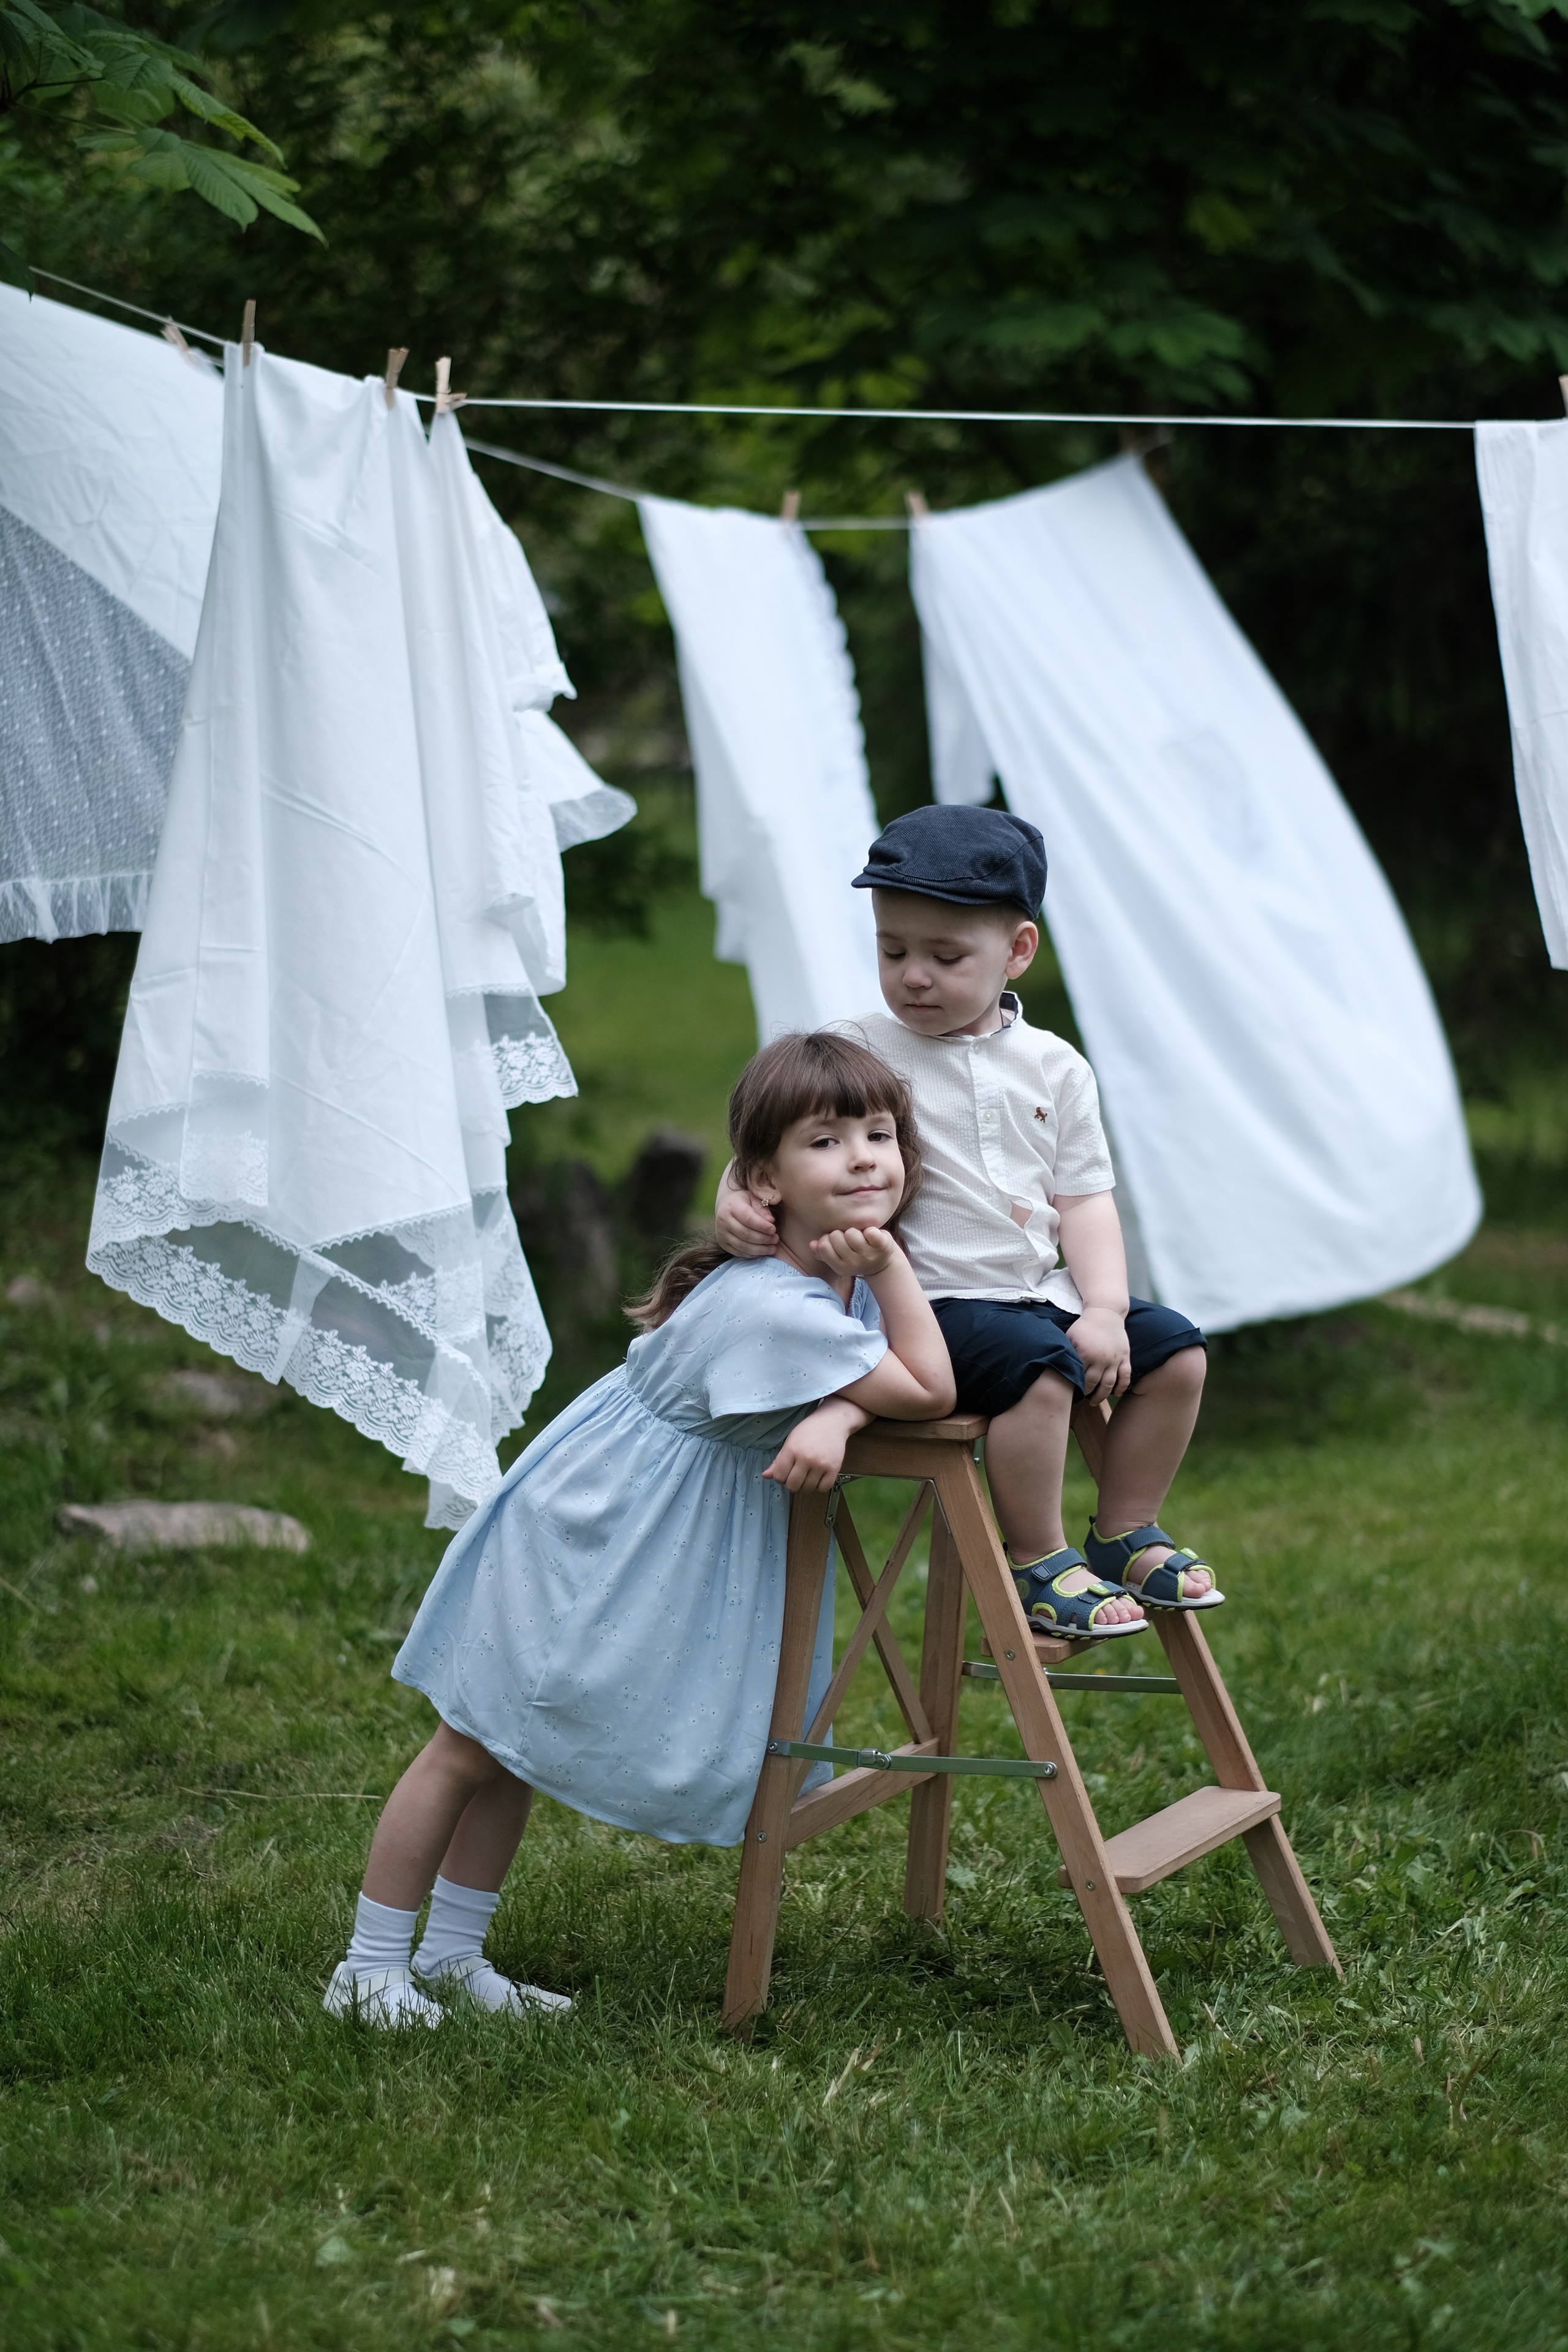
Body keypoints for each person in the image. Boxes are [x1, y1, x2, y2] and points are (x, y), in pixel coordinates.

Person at [324, 1030, 954, 2028]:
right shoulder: (780, 1302)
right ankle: (365, 1971)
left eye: (879, 1135)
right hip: (590, 1530)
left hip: (624, 1518)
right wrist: (894, 1279)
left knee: (508, 1748)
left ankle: (448, 1955)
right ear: (765, 1181)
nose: (864, 1159)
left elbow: (870, 1373)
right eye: (826, 1142)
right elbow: (928, 1387)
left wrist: (838, 1412)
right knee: (468, 1745)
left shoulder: (824, 1272)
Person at [717, 803, 1219, 1646]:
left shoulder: (1055, 1066)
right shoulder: (859, 1048)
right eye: (893, 952)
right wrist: (735, 1192)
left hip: (1036, 1293)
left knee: (1175, 1351)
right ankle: (1037, 1559)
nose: (914, 976)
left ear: (1017, 950)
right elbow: (778, 1138)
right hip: (919, 1307)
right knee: (1039, 1368)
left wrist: (1103, 1308)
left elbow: (1084, 1200)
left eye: (945, 957)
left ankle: (1125, 1528)